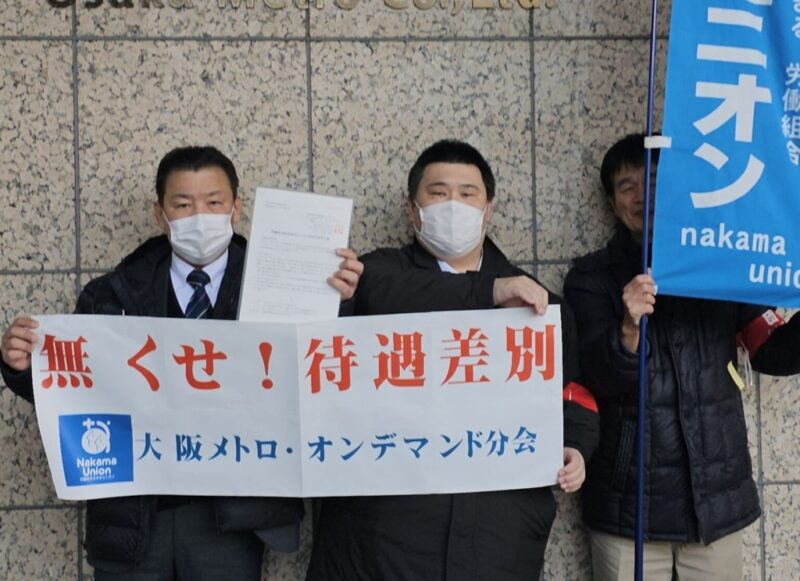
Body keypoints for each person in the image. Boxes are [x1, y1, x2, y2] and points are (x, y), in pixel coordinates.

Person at [0, 145, 363, 580]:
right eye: (183, 205)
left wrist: (337, 302)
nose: (200, 217)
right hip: (137, 514)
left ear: (236, 208)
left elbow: (326, 369)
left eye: (214, 202)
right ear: (160, 213)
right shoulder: (112, 295)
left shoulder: (281, 288)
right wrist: (22, 368)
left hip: (231, 516)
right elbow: (74, 391)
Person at [305, 139, 600, 581]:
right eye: (438, 193)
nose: (453, 205)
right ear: (413, 209)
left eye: (467, 194)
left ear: (488, 209)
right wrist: (487, 291)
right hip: (382, 534)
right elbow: (382, 296)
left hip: (497, 533)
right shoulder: (375, 276)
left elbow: (574, 394)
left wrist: (576, 446)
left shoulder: (540, 305)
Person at [563, 133, 800, 581]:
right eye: (627, 187)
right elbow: (596, 377)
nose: (641, 196)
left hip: (715, 501)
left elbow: (772, 351)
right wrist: (629, 326)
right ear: (612, 204)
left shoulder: (721, 265)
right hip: (627, 506)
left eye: (654, 183)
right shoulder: (590, 279)